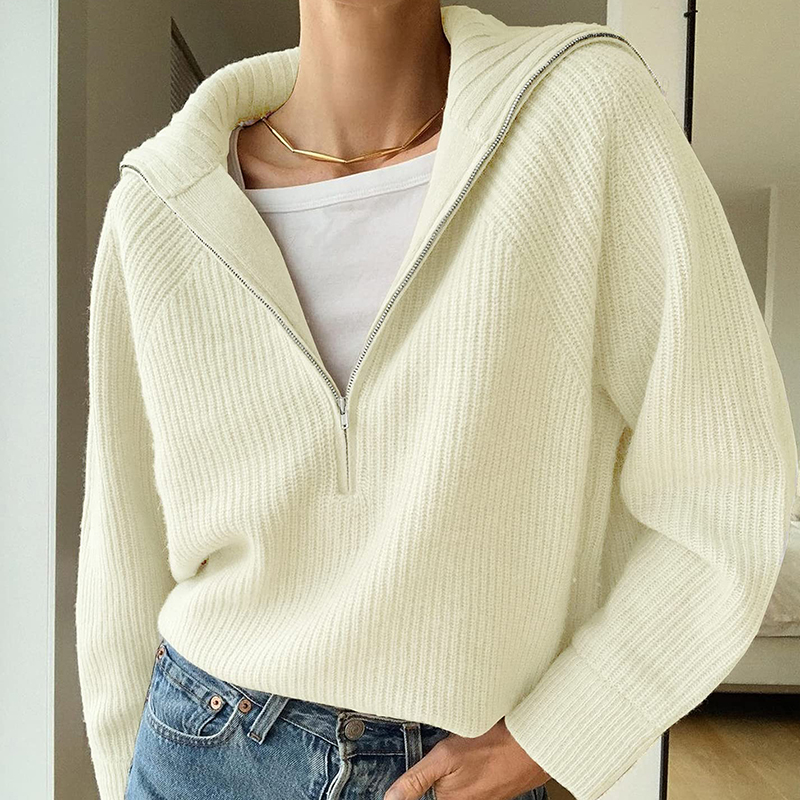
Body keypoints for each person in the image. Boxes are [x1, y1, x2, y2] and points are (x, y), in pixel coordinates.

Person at [75, 2, 799, 800]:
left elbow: (727, 487)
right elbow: (123, 545)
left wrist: (559, 731)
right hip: (199, 744)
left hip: (451, 764)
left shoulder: (581, 110)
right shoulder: (159, 200)